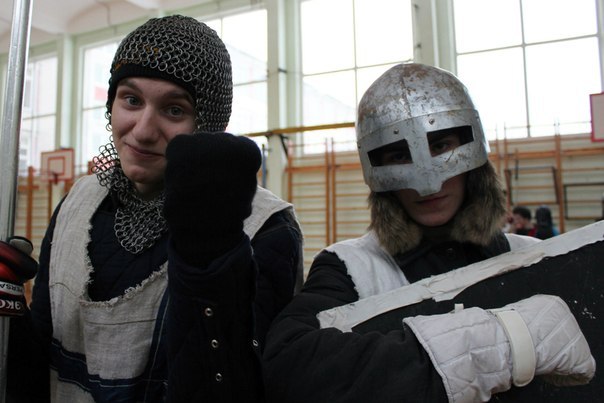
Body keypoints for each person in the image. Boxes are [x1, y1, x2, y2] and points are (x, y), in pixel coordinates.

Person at [1, 15, 302, 403]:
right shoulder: (77, 202)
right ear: (111, 103)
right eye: (131, 100)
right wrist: (11, 317)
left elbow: (246, 387)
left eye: (174, 110)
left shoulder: (263, 228)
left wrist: (211, 261)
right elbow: (42, 366)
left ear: (207, 124)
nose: (143, 131)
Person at [262, 63, 594, 402]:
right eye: (399, 155)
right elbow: (289, 365)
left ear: (472, 148)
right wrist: (494, 344)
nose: (428, 182)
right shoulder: (351, 267)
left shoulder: (532, 255)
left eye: (441, 145)